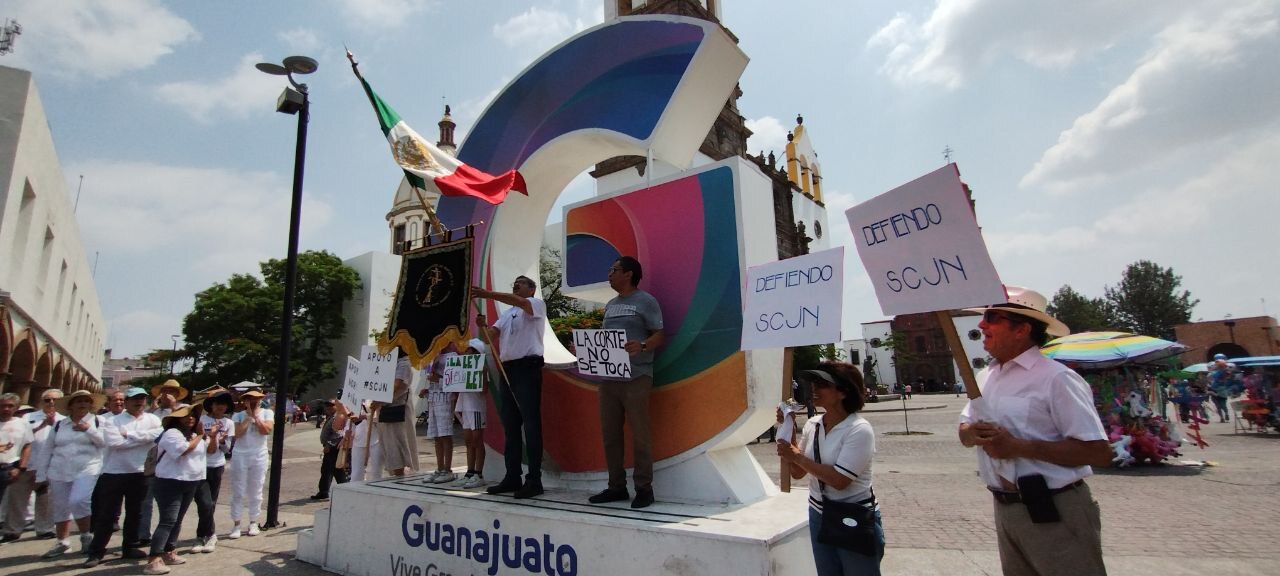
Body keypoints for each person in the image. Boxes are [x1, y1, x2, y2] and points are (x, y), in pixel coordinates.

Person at [957, 286, 1112, 576]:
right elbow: (965, 428)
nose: (981, 324)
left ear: (1022, 329)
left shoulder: (1057, 378)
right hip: (1007, 508)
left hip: (1056, 506)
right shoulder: (986, 376)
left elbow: (1098, 451)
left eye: (992, 318)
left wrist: (1019, 447)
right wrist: (969, 432)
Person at [777, 362, 882, 574]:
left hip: (853, 515)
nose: (814, 388)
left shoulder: (859, 430)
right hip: (819, 513)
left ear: (843, 392)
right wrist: (789, 429)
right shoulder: (813, 424)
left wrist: (796, 457)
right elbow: (798, 473)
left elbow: (839, 481)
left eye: (823, 384)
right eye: (814, 383)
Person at [588, 256, 665, 509]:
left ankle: (644, 488)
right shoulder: (609, 305)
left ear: (629, 274)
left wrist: (642, 345)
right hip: (609, 379)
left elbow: (659, 334)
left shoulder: (646, 301)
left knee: (640, 434)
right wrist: (586, 348)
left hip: (637, 376)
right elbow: (604, 339)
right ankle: (616, 486)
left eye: (614, 270)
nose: (609, 274)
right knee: (610, 435)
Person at [472, 275, 548, 499]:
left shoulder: (535, 304)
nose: (516, 284)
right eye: (514, 282)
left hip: (527, 368)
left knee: (531, 424)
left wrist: (488, 295)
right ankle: (512, 476)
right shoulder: (506, 314)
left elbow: (521, 302)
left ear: (532, 289)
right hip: (508, 370)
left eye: (521, 282)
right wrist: (482, 327)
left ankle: (534, 479)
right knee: (511, 425)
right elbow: (489, 339)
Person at [83, 387, 162, 567]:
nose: (139, 402)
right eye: (135, 398)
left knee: (136, 513)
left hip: (141, 472)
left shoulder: (153, 419)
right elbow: (115, 443)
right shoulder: (112, 420)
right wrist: (144, 439)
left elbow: (157, 436)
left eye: (142, 398)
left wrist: (131, 435)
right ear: (126, 401)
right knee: (107, 515)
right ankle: (96, 551)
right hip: (114, 473)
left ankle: (129, 547)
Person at [34, 390, 106, 558]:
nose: (82, 403)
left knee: (79, 500)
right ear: (70, 406)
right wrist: (41, 475)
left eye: (86, 401)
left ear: (91, 405)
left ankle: (86, 536)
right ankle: (62, 542)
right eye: (78, 401)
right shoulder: (60, 424)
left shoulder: (97, 421)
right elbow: (47, 449)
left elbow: (105, 443)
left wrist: (88, 430)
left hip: (87, 468)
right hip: (59, 469)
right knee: (60, 506)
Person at [143, 404, 206, 575]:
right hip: (170, 482)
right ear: (177, 418)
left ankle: (169, 550)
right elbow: (183, 450)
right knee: (168, 520)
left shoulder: (192, 435)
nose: (191, 418)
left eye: (193, 414)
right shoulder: (171, 433)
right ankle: (154, 558)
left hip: (190, 481)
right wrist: (201, 434)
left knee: (177, 519)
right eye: (186, 415)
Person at [11, 389, 64, 541]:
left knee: (46, 500)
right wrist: (42, 426)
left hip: (49, 465)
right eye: (47, 400)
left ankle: (44, 529)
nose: (51, 403)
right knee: (17, 498)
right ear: (41, 402)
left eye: (54, 400)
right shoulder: (29, 417)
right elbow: (21, 437)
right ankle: (12, 529)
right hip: (27, 464)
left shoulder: (64, 419)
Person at [191, 389, 234, 553]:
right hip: (199, 464)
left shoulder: (228, 423)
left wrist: (221, 440)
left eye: (224, 404)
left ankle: (204, 535)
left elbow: (226, 449)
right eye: (218, 403)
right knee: (203, 502)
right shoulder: (200, 420)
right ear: (211, 405)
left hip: (216, 465)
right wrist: (209, 435)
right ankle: (208, 534)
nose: (221, 407)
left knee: (211, 502)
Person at [226, 389, 271, 539]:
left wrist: (256, 418)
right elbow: (236, 434)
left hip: (259, 454)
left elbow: (266, 430)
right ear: (244, 401)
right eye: (249, 399)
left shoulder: (267, 413)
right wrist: (248, 417)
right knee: (238, 490)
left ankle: (253, 521)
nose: (253, 401)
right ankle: (236, 523)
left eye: (256, 399)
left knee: (256, 488)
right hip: (240, 454)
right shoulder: (238, 415)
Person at [452, 339, 491, 489]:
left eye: (470, 350)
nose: (466, 352)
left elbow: (484, 390)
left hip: (476, 407)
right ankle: (469, 472)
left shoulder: (482, 368)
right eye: (466, 350)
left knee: (477, 440)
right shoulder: (463, 366)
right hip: (465, 405)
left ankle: (479, 474)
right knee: (468, 440)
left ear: (476, 352)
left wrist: (478, 376)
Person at [377, 350, 417, 477]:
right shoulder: (388, 361)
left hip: (398, 410)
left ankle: (400, 475)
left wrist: (379, 399)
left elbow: (397, 384)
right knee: (389, 445)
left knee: (399, 444)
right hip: (384, 408)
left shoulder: (404, 363)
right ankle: (395, 475)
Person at [0, 393, 34, 543]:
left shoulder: (22, 423)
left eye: (10, 406)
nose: (6, 409)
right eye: (3, 405)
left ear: (16, 408)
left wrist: (21, 467)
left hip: (11, 466)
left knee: (15, 501)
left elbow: (27, 445)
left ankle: (11, 531)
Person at [422, 349, 458, 484]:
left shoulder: (452, 356)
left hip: (445, 398)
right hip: (433, 397)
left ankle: (447, 470)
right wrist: (427, 390)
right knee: (436, 436)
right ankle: (439, 468)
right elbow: (430, 378)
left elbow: (454, 381)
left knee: (445, 435)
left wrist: (437, 378)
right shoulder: (431, 355)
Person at [311, 400, 348, 499]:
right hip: (332, 447)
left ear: (337, 406)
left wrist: (328, 445)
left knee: (328, 470)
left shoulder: (338, 417)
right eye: (326, 406)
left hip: (333, 448)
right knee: (335, 470)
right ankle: (341, 489)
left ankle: (324, 491)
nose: (328, 408)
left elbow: (339, 434)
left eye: (331, 406)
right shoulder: (331, 416)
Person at [345, 401, 382, 483]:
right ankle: (355, 492)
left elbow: (381, 417)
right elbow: (350, 421)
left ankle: (376, 492)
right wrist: (347, 431)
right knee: (356, 472)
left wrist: (365, 417)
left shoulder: (376, 398)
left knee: (376, 471)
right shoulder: (354, 399)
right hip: (358, 440)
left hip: (376, 439)